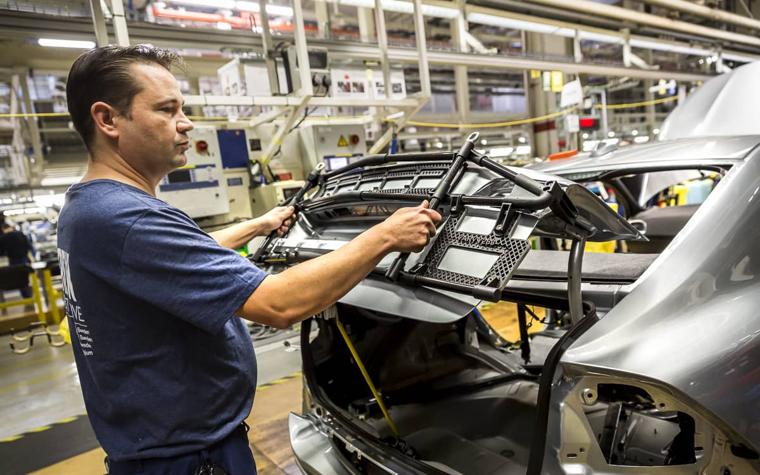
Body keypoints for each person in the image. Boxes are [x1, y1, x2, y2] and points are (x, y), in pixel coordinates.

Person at [59, 45, 441, 475]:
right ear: (108, 119)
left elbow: (178, 257)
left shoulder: (89, 208)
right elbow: (278, 304)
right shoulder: (127, 217)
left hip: (160, 449)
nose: (186, 124)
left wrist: (257, 224)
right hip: (188, 459)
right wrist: (385, 236)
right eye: (167, 110)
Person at [0, 222, 35, 298]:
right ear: (11, 227)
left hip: (13, 261)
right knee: (28, 278)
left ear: (3, 229)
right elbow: (29, 246)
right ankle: (31, 295)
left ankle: (25, 296)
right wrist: (33, 257)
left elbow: (1, 252)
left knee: (18, 279)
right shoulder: (20, 234)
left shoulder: (2, 238)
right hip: (25, 259)